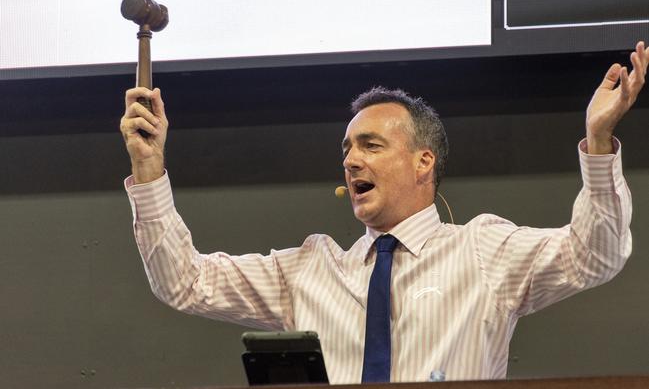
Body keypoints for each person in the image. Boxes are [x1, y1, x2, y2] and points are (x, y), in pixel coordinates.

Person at [121, 42, 648, 383]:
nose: (351, 160)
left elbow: (596, 254)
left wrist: (598, 140)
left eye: (370, 145)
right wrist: (148, 168)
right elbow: (183, 281)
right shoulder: (309, 268)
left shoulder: (483, 250)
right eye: (346, 149)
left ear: (423, 162)